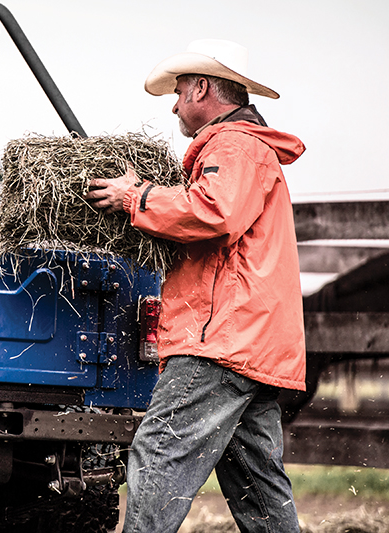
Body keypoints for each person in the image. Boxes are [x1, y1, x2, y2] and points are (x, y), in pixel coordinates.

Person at [85, 39, 307, 532]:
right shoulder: (249, 149)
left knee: (159, 451)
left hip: (220, 342)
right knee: (259, 487)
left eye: (181, 90)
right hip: (253, 346)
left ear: (203, 88)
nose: (174, 103)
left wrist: (134, 195)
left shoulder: (233, 145)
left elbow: (213, 212)